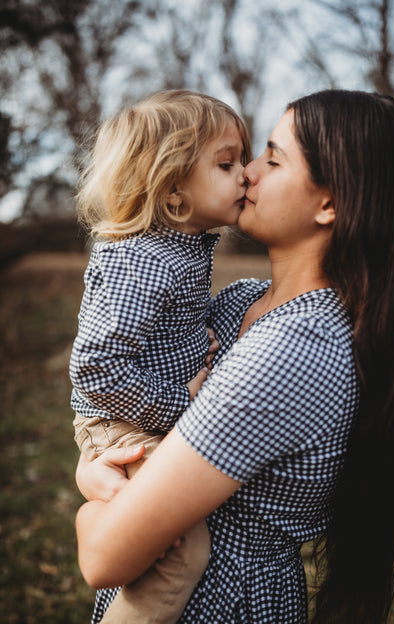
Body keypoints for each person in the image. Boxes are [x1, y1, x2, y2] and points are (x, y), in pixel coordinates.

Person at [75, 90, 394, 624]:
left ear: (331, 204)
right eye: (244, 159)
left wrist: (90, 510)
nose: (249, 174)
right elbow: (124, 394)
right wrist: (96, 460)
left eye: (272, 160)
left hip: (221, 603)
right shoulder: (239, 303)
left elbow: (103, 556)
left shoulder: (296, 349)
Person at [69, 89, 251, 624]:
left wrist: (195, 338)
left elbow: (158, 331)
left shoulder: (177, 252)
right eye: (226, 163)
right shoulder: (148, 261)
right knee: (182, 553)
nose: (245, 174)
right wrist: (181, 402)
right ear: (174, 192)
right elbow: (97, 367)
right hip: (126, 422)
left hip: (141, 412)